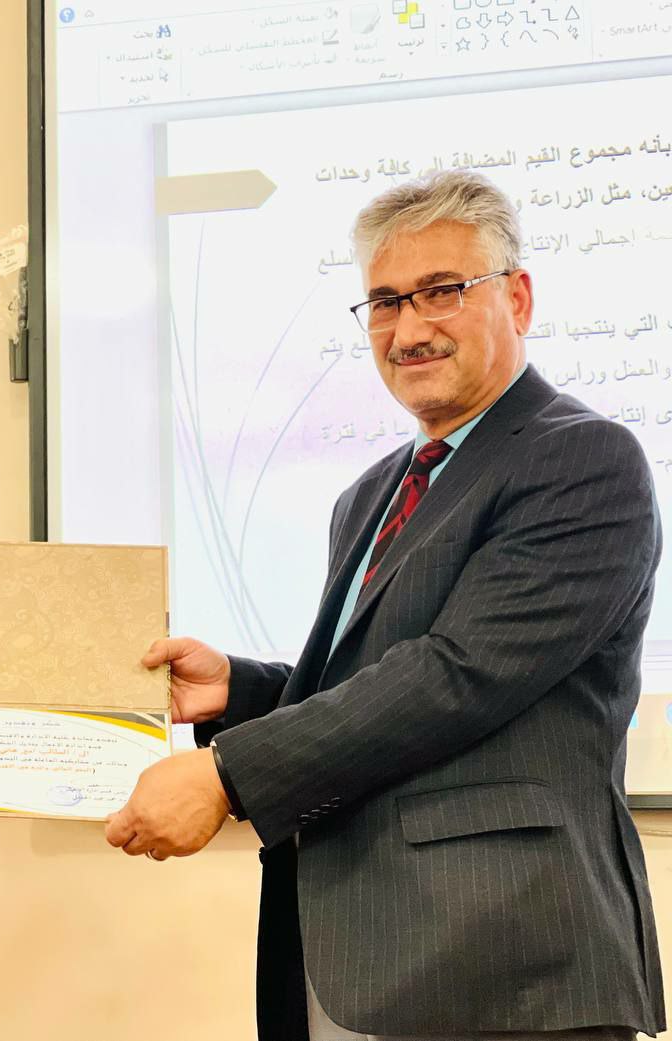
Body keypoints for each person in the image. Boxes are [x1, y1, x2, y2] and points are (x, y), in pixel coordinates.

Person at [105, 171, 664, 1040]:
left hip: (509, 967)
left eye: (442, 291)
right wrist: (240, 690)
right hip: (360, 954)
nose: (409, 328)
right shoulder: (371, 494)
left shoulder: (584, 458)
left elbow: (458, 675)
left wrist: (226, 775)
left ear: (517, 297)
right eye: (385, 302)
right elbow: (375, 678)